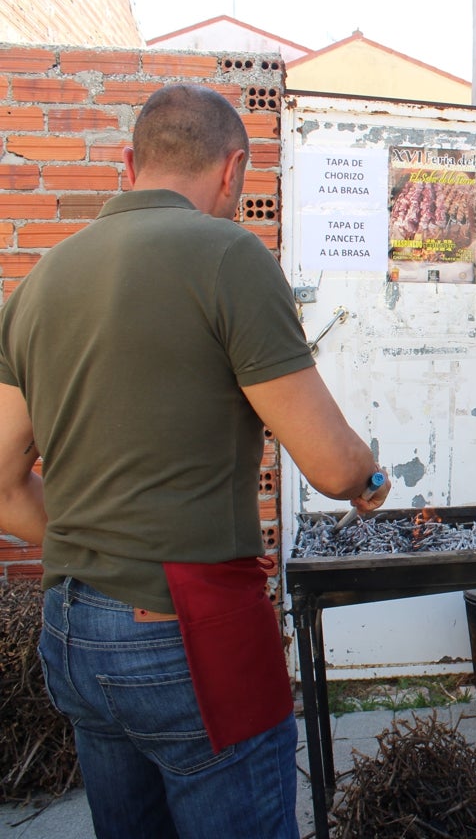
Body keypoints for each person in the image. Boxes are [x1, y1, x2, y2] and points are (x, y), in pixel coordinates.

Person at [0, 83, 391, 838]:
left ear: (127, 163)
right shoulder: (228, 255)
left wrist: (97, 553)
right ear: (232, 169)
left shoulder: (38, 282)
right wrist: (371, 478)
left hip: (73, 632)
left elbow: (2, 485)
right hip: (188, 630)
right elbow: (332, 466)